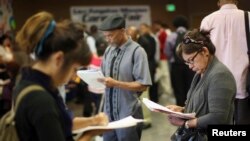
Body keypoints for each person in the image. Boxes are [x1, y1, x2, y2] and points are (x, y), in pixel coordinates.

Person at [13, 11, 109, 141]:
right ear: (58, 59)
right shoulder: (40, 100)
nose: (73, 77)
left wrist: (93, 120)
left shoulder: (28, 80)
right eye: (74, 69)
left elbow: (58, 124)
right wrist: (90, 135)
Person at [166, 29, 236, 140]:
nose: (190, 66)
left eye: (191, 60)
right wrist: (182, 110)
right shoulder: (201, 72)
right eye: (187, 62)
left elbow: (218, 117)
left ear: (204, 52)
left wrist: (186, 124)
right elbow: (203, 106)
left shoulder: (220, 75)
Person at [99, 15, 152, 141]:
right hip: (109, 113)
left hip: (128, 114)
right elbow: (102, 74)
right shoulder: (108, 50)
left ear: (123, 31)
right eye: (105, 36)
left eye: (110, 35)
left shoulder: (137, 52)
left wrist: (116, 83)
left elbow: (143, 85)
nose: (108, 39)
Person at [200, 0, 250, 124]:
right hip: (244, 81)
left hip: (215, 81)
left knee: (217, 122)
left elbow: (202, 54)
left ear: (218, 2)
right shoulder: (248, 17)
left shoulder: (208, 20)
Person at [166, 15, 195, 106]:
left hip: (176, 66)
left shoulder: (171, 36)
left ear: (175, 25)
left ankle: (180, 110)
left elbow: (167, 52)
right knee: (190, 87)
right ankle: (190, 108)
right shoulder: (192, 35)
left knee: (178, 89)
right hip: (190, 65)